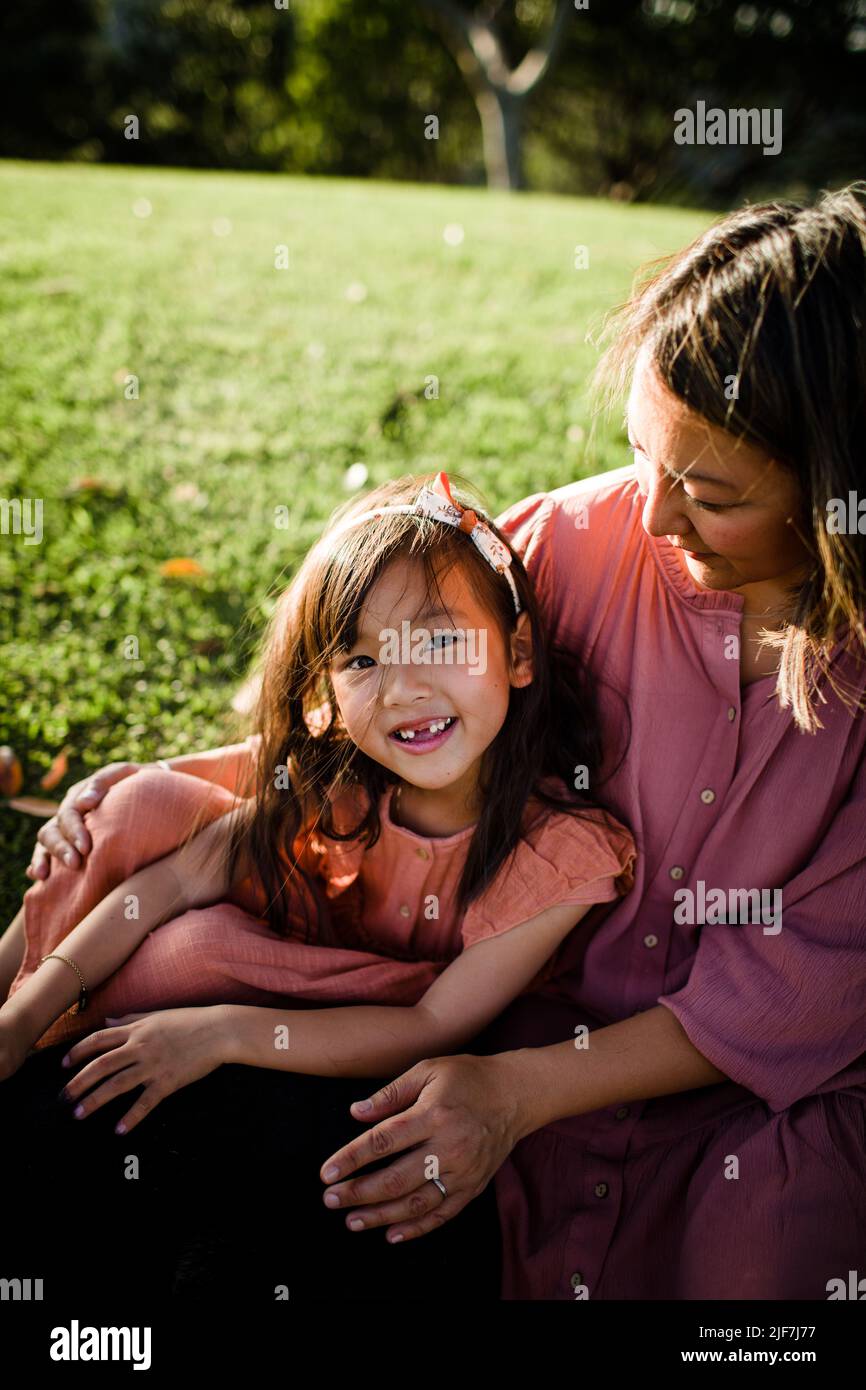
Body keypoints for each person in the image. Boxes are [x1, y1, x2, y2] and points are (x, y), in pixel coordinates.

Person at [13, 183, 866, 1301]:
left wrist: (514, 1093)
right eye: (640, 456)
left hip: (732, 1105)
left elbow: (793, 990)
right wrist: (159, 792)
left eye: (706, 495)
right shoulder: (570, 541)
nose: (650, 514)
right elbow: (381, 714)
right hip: (464, 1036)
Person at [0, 471, 635, 1299]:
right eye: (363, 659)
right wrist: (22, 1018)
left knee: (200, 950)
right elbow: (163, 886)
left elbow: (429, 1023)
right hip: (284, 951)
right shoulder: (341, 782)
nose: (404, 688)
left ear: (516, 653)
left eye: (440, 641)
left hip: (365, 1021)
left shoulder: (559, 854)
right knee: (148, 814)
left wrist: (221, 1033)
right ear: (328, 695)